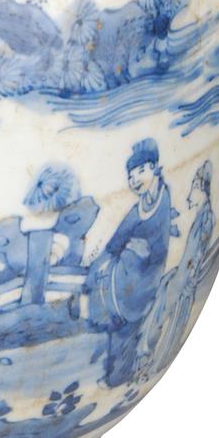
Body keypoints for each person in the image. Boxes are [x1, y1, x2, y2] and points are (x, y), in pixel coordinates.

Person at [88, 139, 179, 387]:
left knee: (127, 320)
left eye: (140, 171)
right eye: (130, 176)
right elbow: (117, 239)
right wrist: (101, 262)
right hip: (129, 276)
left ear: (155, 168)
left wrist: (143, 251)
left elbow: (159, 245)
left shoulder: (164, 200)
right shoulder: (139, 208)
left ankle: (120, 375)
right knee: (119, 318)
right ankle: (117, 374)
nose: (134, 179)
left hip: (148, 275)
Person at [139, 160, 214, 373]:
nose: (190, 196)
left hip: (183, 279)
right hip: (181, 274)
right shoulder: (203, 216)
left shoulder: (205, 218)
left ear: (200, 188)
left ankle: (148, 359)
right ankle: (145, 357)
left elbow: (196, 254)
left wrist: (186, 277)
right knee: (159, 302)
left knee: (162, 312)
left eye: (194, 189)